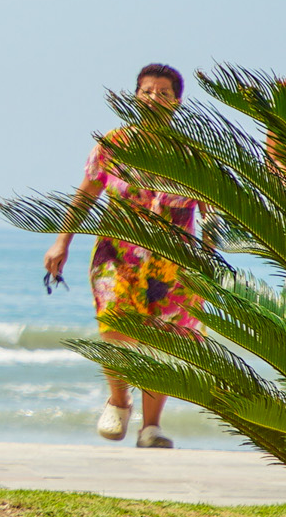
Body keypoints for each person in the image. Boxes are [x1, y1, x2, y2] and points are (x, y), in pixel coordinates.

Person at [44, 63, 199, 448]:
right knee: (114, 323)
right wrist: (62, 242)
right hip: (117, 254)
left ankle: (151, 428)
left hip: (174, 259)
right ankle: (118, 400)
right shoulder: (114, 144)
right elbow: (86, 195)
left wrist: (211, 253)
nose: (154, 98)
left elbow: (211, 207)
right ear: (135, 96)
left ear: (177, 102)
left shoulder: (193, 153)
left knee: (163, 341)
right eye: (147, 91)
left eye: (163, 92)